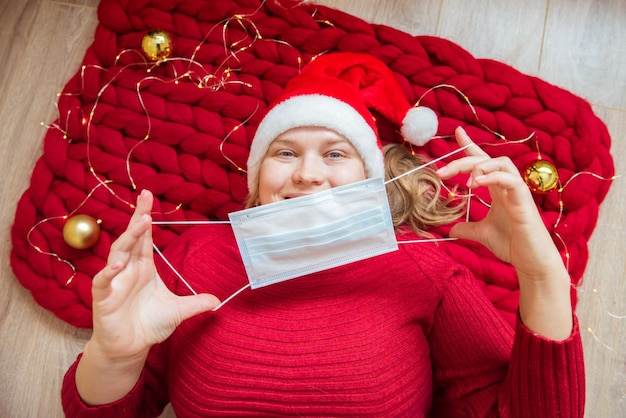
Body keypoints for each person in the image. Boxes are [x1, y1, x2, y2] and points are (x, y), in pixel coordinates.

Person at [62, 53, 584, 417]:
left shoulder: (423, 269)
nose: (308, 174)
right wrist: (114, 354)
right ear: (257, 176)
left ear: (374, 180)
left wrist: (542, 275)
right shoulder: (191, 258)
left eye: (335, 154)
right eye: (285, 152)